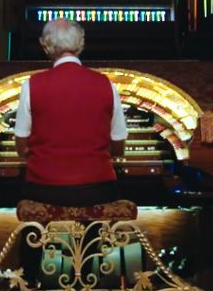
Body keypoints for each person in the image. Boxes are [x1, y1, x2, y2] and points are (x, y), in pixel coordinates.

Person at [14, 18, 128, 206]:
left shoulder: (31, 84)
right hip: (97, 189)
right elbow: (118, 147)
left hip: (44, 190)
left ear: (45, 46)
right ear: (81, 43)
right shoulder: (105, 83)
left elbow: (21, 148)